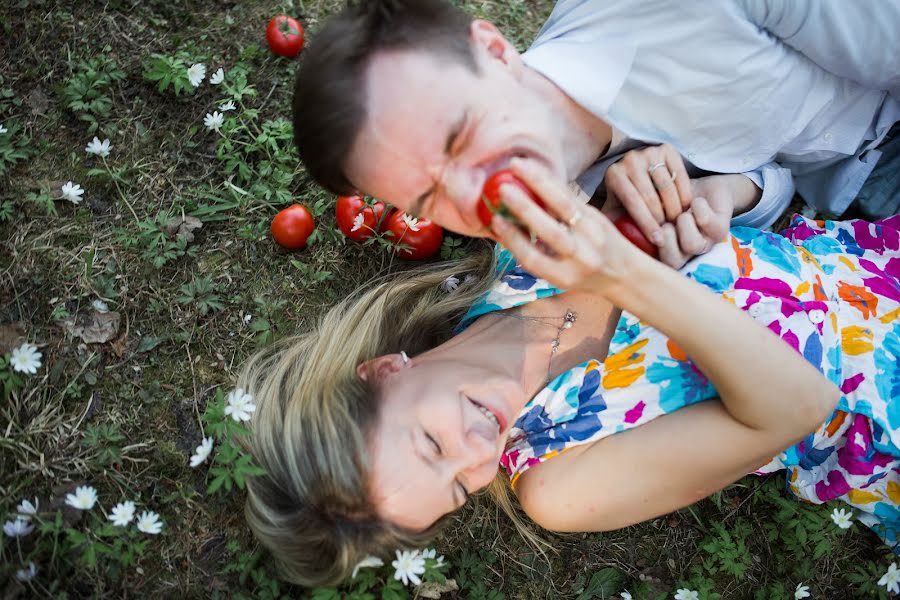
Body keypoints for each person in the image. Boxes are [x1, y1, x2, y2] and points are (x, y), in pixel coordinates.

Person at [236, 160, 900, 587]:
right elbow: (797, 407)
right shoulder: (559, 479)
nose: (477, 455)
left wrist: (716, 188)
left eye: (432, 444)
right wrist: (624, 272)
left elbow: (757, 189)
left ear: (385, 371)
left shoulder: (515, 258)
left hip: (869, 255)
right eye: (461, 488)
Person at [292, 0, 900, 267]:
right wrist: (728, 194)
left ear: (495, 50)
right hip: (856, 200)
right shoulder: (567, 232)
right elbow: (782, 176)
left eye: (458, 137)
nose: (476, 193)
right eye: (430, 200)